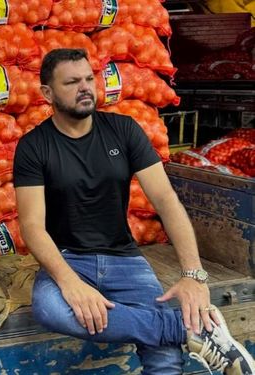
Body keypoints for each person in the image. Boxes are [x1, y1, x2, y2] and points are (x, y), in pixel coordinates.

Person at [13, 48, 255, 375]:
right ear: (47, 93)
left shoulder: (123, 130)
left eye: (88, 79)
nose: (85, 87)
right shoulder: (34, 146)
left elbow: (166, 200)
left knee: (164, 358)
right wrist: (70, 282)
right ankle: (186, 330)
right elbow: (31, 226)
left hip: (125, 260)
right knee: (50, 308)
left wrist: (193, 274)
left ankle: (180, 333)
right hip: (69, 258)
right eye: (71, 82)